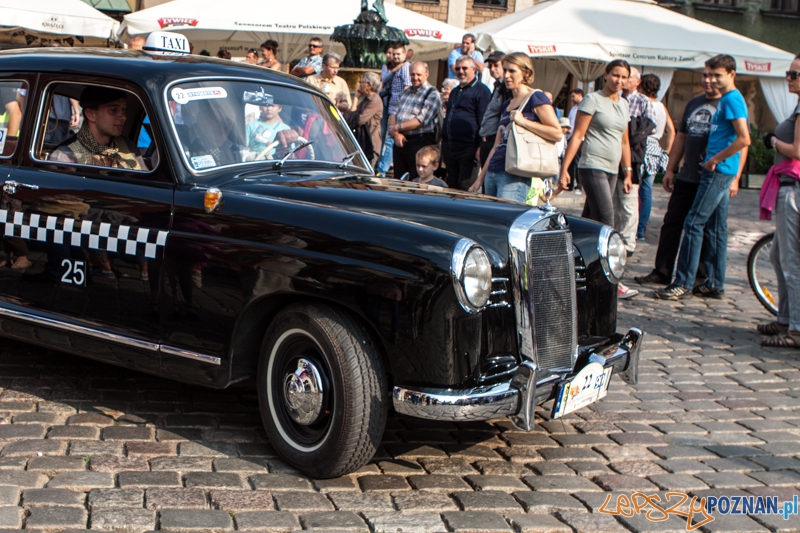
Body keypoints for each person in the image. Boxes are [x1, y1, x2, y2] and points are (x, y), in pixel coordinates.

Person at [655, 54, 751, 301]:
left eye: (718, 75)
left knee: (694, 223)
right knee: (717, 228)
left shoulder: (732, 99)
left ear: (732, 74)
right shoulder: (729, 98)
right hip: (718, 170)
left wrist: (714, 160)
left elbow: (744, 138)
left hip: (717, 171)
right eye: (709, 74)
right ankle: (715, 283)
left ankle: (683, 282)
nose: (713, 80)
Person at [634, 68, 722, 288]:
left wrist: (737, 177)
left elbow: (741, 140)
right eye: (704, 76)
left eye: (713, 76)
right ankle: (662, 271)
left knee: (704, 228)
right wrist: (671, 168)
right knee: (672, 222)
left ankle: (701, 278)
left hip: (711, 176)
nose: (707, 80)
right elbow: (681, 136)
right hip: (687, 174)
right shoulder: (694, 103)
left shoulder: (727, 104)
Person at [558, 60, 634, 298]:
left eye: (623, 77)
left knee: (589, 222)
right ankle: (610, 278)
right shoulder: (592, 100)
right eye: (615, 75)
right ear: (606, 75)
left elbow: (624, 141)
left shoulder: (623, 104)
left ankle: (570, 268)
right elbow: (578, 135)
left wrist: (628, 171)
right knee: (607, 220)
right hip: (592, 166)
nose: (618, 81)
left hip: (612, 169)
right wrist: (564, 169)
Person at [470, 53, 561, 202]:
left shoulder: (536, 97)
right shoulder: (507, 104)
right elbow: (497, 145)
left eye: (512, 71)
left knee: (505, 221)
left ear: (526, 73)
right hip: (493, 171)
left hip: (515, 174)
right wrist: (480, 178)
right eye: (505, 70)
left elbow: (557, 133)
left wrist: (524, 122)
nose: (506, 75)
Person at [758, 53, 800, 347]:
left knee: (791, 261)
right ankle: (785, 317)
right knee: (777, 255)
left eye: (794, 74)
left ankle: (795, 329)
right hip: (790, 187)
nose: (788, 77)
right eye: (789, 72)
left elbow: (797, 150)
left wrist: (772, 140)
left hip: (794, 190)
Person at [614, 67, 656, 258]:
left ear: (637, 81)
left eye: (628, 78)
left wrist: (630, 131)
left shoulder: (642, 101)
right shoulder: (614, 98)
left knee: (629, 202)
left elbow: (648, 128)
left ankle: (628, 241)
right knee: (612, 202)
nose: (624, 81)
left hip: (633, 158)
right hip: (612, 156)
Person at [52, 86, 140, 170]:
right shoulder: (67, 154)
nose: (123, 116)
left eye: (123, 109)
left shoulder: (128, 147)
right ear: (91, 115)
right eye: (113, 110)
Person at [441, 56, 491, 190]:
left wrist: (481, 146)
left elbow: (484, 120)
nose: (460, 71)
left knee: (465, 187)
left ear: (474, 69)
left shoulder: (482, 91)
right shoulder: (455, 91)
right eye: (458, 68)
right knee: (451, 186)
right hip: (450, 147)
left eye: (464, 68)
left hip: (469, 147)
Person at [637, 74, 675, 240]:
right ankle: (641, 230)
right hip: (656, 148)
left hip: (641, 145)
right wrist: (666, 151)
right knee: (647, 192)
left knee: (632, 189)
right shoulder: (662, 106)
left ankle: (633, 228)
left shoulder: (640, 102)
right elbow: (672, 131)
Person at [387, 62, 441, 180]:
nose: (415, 78)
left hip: (419, 142)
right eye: (412, 75)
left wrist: (397, 128)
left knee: (416, 180)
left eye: (418, 75)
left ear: (426, 75)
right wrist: (396, 134)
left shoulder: (432, 94)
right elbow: (394, 112)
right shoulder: (406, 91)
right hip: (400, 141)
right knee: (399, 179)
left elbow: (421, 120)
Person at [375, 43, 411, 177]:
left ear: (405, 54)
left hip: (398, 108)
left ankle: (382, 170)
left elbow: (407, 86)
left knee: (391, 137)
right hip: (392, 107)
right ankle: (383, 167)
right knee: (388, 136)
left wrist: (402, 106)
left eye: (398, 54)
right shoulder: (394, 67)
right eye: (394, 54)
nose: (395, 57)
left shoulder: (406, 67)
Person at [478, 51, 510, 168]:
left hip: (496, 140)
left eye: (496, 65)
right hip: (486, 140)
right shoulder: (497, 86)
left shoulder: (506, 88)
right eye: (490, 66)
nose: (492, 69)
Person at [349, 71, 384, 166]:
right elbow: (351, 116)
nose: (359, 84)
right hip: (362, 143)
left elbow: (358, 120)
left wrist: (352, 117)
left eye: (362, 82)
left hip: (370, 145)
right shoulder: (366, 99)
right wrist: (356, 97)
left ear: (370, 85)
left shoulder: (375, 101)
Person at [566, 88, 585, 192]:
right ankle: (570, 184)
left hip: (580, 139)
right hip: (571, 137)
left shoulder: (584, 107)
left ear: (579, 95)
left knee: (578, 161)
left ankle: (579, 184)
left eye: (573, 96)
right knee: (570, 161)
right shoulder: (573, 109)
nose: (572, 99)